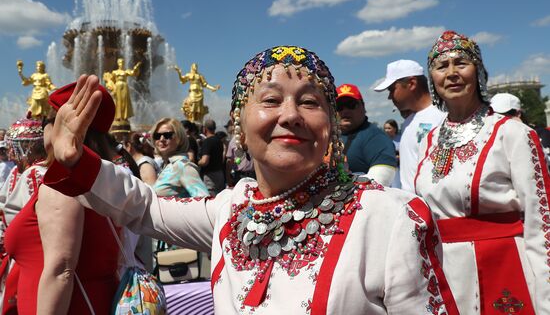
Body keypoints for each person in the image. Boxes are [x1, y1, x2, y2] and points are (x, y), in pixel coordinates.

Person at [41, 45, 458, 314]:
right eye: (271, 100)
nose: (290, 115)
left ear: (330, 125)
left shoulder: (390, 217)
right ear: (240, 126)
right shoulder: (232, 208)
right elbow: (144, 206)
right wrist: (78, 161)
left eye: (310, 102)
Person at [414, 30, 550, 314]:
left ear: (478, 72)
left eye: (461, 63)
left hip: (503, 266)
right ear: (433, 80)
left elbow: (541, 221)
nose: (451, 73)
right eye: (441, 66)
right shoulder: (430, 140)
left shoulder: (511, 133)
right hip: (444, 272)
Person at [3, 83, 122, 314]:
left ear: (63, 123)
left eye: (46, 122)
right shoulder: (106, 178)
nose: (42, 129)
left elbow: (61, 271)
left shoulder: (64, 183)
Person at [374, 59, 445, 193]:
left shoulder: (443, 116)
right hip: (413, 206)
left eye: (392, 89)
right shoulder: (408, 121)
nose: (389, 96)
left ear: (411, 84)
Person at [0, 118, 46, 313]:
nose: (10, 154)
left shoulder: (35, 173)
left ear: (28, 148)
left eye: (15, 148)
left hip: (31, 259)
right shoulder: (19, 173)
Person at [336, 83, 397, 186]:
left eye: (351, 105)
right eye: (339, 106)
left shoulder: (376, 138)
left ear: (363, 107)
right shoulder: (329, 136)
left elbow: (380, 181)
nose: (345, 111)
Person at [151, 118, 209, 198]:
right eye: (157, 136)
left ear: (180, 138)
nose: (161, 139)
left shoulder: (182, 166)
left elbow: (203, 199)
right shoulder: (168, 165)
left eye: (167, 135)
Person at [103, 58, 141, 122]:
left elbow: (134, 73)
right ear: (118, 63)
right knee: (118, 101)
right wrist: (111, 86)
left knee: (125, 101)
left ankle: (125, 117)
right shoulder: (114, 72)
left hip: (124, 86)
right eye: (120, 63)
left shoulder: (126, 71)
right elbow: (111, 80)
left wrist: (136, 67)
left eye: (122, 63)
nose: (121, 64)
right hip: (117, 87)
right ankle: (117, 117)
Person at [198, 119, 225, 195]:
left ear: (205, 129)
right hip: (219, 174)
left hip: (210, 177)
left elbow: (204, 161)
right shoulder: (219, 141)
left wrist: (197, 162)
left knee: (211, 199)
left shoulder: (207, 141)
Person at [384, 119, 401, 188]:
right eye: (385, 128)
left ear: (395, 129)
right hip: (388, 167)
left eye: (389, 128)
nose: (386, 130)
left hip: (399, 168)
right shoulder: (383, 140)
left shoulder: (401, 139)